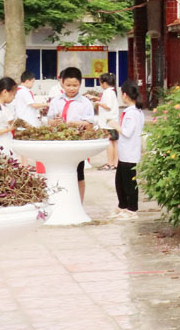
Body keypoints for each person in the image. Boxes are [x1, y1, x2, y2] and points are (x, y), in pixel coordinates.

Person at [47, 67, 96, 201]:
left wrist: (72, 123)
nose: (71, 88)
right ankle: (60, 202)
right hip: (59, 141)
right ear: (62, 83)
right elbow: (49, 120)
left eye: (75, 85)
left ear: (80, 84)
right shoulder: (56, 101)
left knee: (78, 174)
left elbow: (90, 124)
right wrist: (54, 122)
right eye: (68, 85)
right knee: (59, 172)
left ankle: (79, 203)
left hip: (77, 143)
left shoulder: (85, 103)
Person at [107, 80, 145, 221]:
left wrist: (115, 125)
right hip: (126, 152)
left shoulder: (132, 113)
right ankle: (122, 205)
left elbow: (127, 132)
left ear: (124, 95)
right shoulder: (135, 111)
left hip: (130, 153)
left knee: (129, 182)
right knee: (120, 181)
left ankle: (132, 208)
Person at [94, 73, 120, 170]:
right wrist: (96, 99)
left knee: (109, 143)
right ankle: (115, 163)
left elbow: (107, 106)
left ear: (104, 83)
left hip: (108, 122)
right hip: (112, 121)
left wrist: (97, 103)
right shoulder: (111, 91)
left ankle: (109, 163)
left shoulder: (107, 92)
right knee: (114, 143)